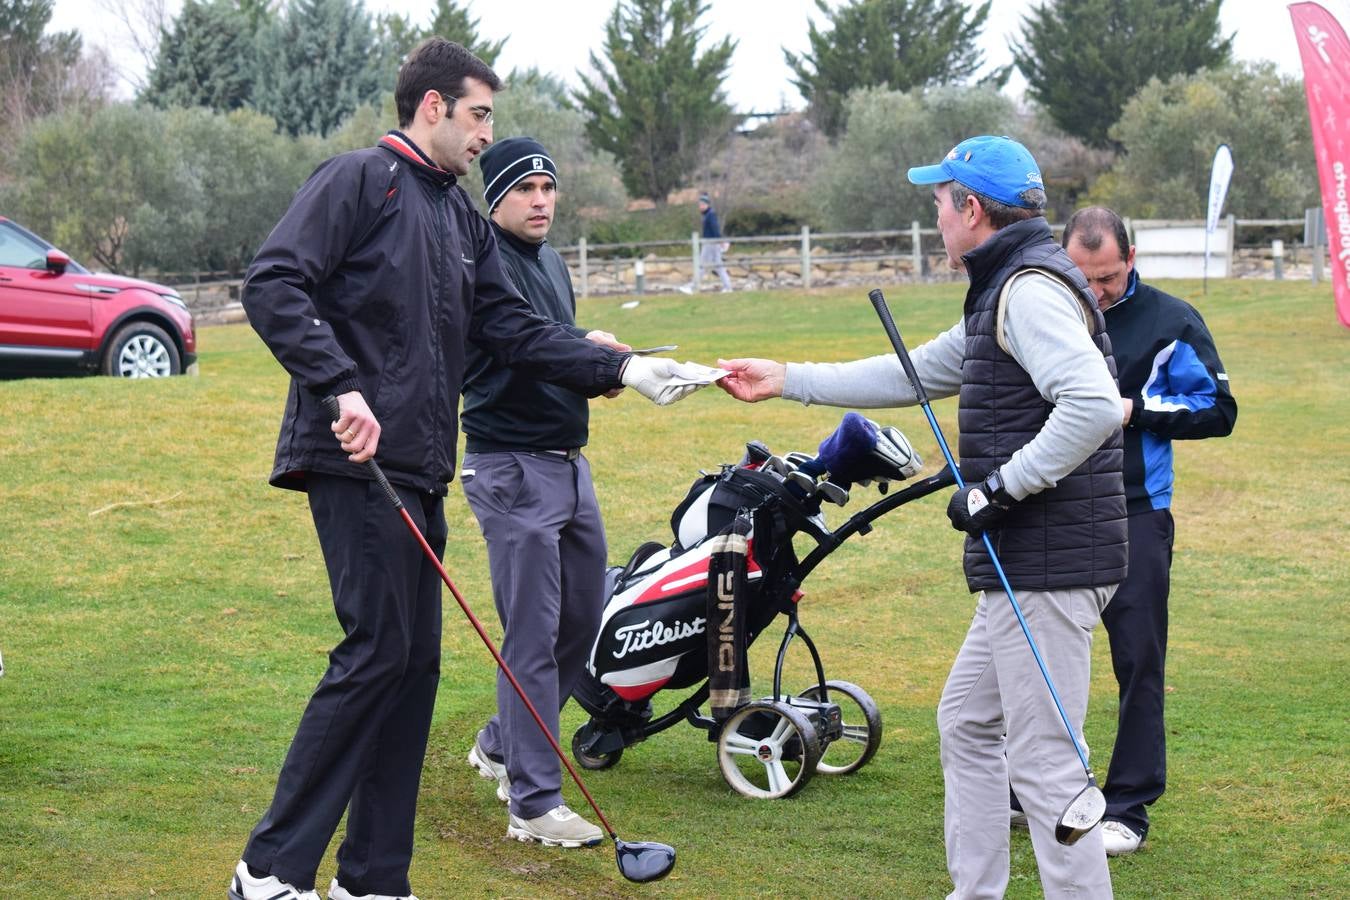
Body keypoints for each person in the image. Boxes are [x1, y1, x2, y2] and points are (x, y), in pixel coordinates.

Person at [228, 38, 704, 900]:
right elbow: (272, 282)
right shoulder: (357, 180)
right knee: (375, 653)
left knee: (412, 670)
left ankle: (373, 879)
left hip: (420, 469)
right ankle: (268, 869)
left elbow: (515, 329)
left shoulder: (457, 220)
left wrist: (623, 368)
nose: (489, 134)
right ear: (434, 107)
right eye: (480, 115)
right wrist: (339, 387)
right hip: (353, 459)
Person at [716, 135, 1125, 899]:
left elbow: (1095, 406)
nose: (935, 213)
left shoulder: (1027, 291)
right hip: (1030, 564)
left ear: (971, 208)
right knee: (967, 725)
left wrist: (1001, 488)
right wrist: (789, 378)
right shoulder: (1005, 286)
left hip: (1046, 564)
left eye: (939, 200)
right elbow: (923, 369)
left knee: (1047, 765)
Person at [1059, 206, 1237, 855]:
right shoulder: (1049, 309)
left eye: (1107, 278)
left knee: (1138, 659)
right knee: (1045, 650)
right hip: (1054, 506)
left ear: (1130, 260)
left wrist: (1137, 411)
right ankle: (1051, 785)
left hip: (1136, 507)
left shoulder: (1171, 319)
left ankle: (1129, 805)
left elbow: (1218, 410)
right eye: (1084, 278)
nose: (1097, 293)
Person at [459, 136, 621, 848]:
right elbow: (522, 343)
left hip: (569, 463)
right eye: (525, 190)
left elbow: (552, 338)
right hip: (512, 467)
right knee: (531, 634)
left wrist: (592, 344)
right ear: (495, 198)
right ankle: (533, 801)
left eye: (548, 188)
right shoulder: (482, 262)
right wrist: (603, 365)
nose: (541, 201)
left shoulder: (550, 261)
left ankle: (501, 741)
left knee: (582, 620)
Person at [680, 192, 733, 293]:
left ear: (706, 204)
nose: (700, 206)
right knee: (718, 266)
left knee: (702, 266)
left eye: (701, 204)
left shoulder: (710, 215)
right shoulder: (708, 215)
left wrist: (720, 241)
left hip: (710, 244)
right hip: (711, 243)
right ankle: (728, 287)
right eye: (699, 205)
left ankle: (692, 287)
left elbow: (715, 229)